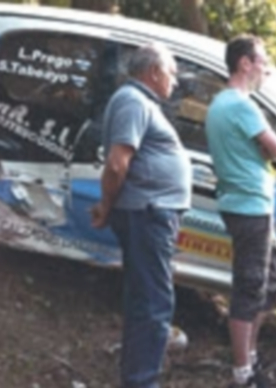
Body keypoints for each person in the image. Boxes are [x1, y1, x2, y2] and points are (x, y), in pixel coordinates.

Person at [90, 43, 191, 388]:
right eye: (172, 73)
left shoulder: (140, 102)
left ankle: (137, 378)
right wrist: (105, 206)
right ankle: (142, 382)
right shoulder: (134, 101)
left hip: (149, 214)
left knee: (145, 300)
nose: (175, 82)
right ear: (154, 72)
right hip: (146, 214)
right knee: (153, 303)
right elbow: (118, 164)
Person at [204, 35, 276, 388]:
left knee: (267, 283)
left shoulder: (220, 103)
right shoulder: (241, 105)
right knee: (250, 285)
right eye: (262, 61)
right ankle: (242, 372)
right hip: (249, 205)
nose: (266, 69)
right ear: (245, 63)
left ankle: (251, 360)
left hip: (247, 203)